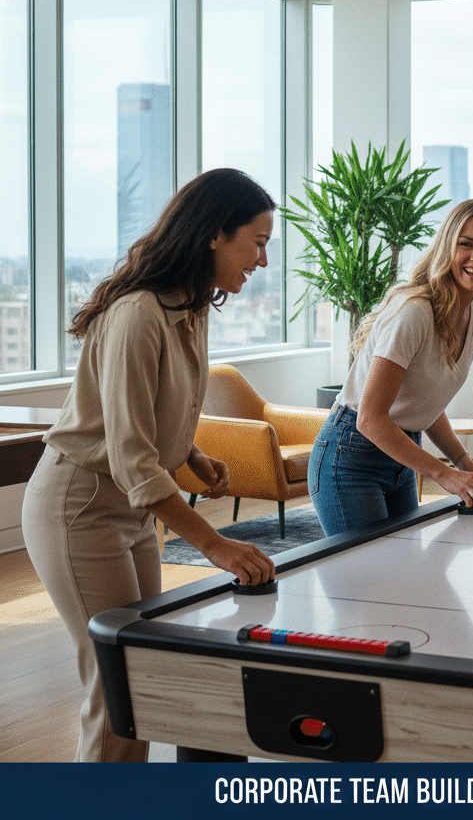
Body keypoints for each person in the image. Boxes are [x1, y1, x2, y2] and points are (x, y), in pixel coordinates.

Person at [21, 169, 278, 763]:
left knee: (143, 681)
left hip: (134, 512)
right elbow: (132, 458)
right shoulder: (137, 313)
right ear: (217, 234)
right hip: (80, 508)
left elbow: (154, 408)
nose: (262, 260)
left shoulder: (192, 307)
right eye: (258, 241)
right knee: (116, 693)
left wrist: (190, 452)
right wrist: (216, 546)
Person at [310, 199, 473, 536]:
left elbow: (425, 401)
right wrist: (444, 473)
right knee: (374, 577)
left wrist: (465, 463)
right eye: (465, 244)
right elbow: (370, 418)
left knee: (406, 573)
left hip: (402, 452)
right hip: (351, 456)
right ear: (445, 248)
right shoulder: (415, 312)